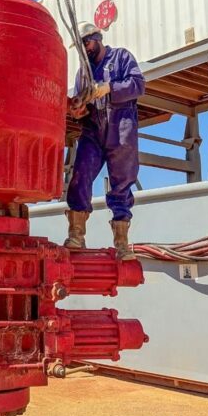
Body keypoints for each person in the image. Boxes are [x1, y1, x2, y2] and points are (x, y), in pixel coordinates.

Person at [65, 22, 145, 260]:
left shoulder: (121, 57)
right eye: (80, 46)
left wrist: (109, 88)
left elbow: (138, 85)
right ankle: (76, 235)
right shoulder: (83, 72)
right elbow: (82, 102)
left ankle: (121, 244)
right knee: (80, 176)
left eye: (86, 43)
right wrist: (78, 108)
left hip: (120, 128)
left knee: (121, 184)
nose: (85, 49)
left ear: (97, 38)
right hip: (93, 131)